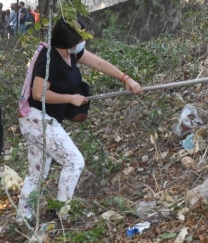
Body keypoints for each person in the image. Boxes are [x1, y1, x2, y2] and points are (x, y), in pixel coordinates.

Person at [17, 18, 142, 222]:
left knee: (37, 173)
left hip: (41, 120)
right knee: (74, 162)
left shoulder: (72, 54)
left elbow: (99, 63)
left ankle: (23, 219)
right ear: (68, 40)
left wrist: (125, 78)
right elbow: (38, 93)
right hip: (36, 119)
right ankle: (62, 214)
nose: (84, 41)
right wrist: (70, 99)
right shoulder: (50, 58)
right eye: (80, 38)